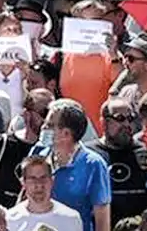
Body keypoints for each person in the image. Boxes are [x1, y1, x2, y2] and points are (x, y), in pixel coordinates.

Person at [88, 98, 147, 224]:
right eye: (120, 118)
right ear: (104, 123)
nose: (127, 124)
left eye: (131, 118)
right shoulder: (89, 155)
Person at [39, 99, 113, 231]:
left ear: (66, 134)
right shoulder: (38, 155)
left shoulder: (94, 165)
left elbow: (102, 220)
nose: (43, 128)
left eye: (50, 125)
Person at [0, 89, 55, 208]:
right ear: (26, 114)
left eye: (52, 115)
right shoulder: (1, 144)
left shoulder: (53, 151)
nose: (47, 120)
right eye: (44, 113)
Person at [8, 155, 85, 231]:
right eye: (32, 179)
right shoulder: (9, 220)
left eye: (43, 178)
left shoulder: (71, 218)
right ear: (23, 183)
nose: (39, 184)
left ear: (52, 180)